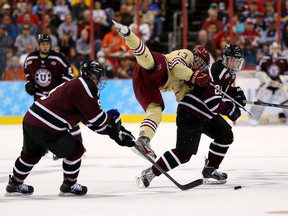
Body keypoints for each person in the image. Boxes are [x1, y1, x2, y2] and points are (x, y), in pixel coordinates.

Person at [5, 60, 135, 196]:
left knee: (31, 154)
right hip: (47, 125)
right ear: (89, 75)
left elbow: (91, 122)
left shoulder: (79, 85)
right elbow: (97, 119)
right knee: (76, 150)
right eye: (97, 76)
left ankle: (15, 183)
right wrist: (114, 119)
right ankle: (69, 184)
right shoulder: (84, 86)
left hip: (31, 120)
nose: (98, 80)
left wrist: (113, 133)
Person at [136, 44, 247, 187]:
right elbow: (213, 102)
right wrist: (231, 110)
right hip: (191, 112)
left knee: (225, 135)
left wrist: (234, 94)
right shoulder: (216, 70)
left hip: (204, 114)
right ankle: (150, 172)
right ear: (225, 59)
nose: (235, 64)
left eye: (238, 61)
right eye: (232, 60)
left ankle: (210, 170)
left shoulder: (227, 74)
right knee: (183, 154)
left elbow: (220, 94)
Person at [112, 20, 211, 160]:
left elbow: (181, 97)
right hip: (162, 67)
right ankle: (128, 35)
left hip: (148, 84)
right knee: (148, 61)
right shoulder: (187, 54)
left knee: (156, 112)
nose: (196, 65)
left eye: (201, 65)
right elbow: (176, 67)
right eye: (198, 61)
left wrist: (195, 90)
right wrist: (193, 76)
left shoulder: (188, 80)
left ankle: (144, 139)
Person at [24, 34, 81, 159]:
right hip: (39, 96)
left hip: (55, 96)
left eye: (47, 44)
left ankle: (76, 143)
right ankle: (43, 147)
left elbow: (68, 74)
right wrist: (28, 84)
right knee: (40, 123)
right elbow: (27, 73)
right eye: (43, 44)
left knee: (62, 121)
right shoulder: (30, 58)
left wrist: (61, 89)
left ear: (50, 44)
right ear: (39, 45)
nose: (45, 46)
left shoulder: (59, 58)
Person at [249, 42, 288, 125]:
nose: (275, 50)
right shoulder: (265, 59)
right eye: (273, 48)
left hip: (279, 86)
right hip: (267, 85)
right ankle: (252, 119)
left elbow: (286, 74)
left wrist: (281, 80)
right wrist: (266, 79)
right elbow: (259, 72)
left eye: (276, 48)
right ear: (270, 49)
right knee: (260, 102)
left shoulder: (284, 60)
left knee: (286, 103)